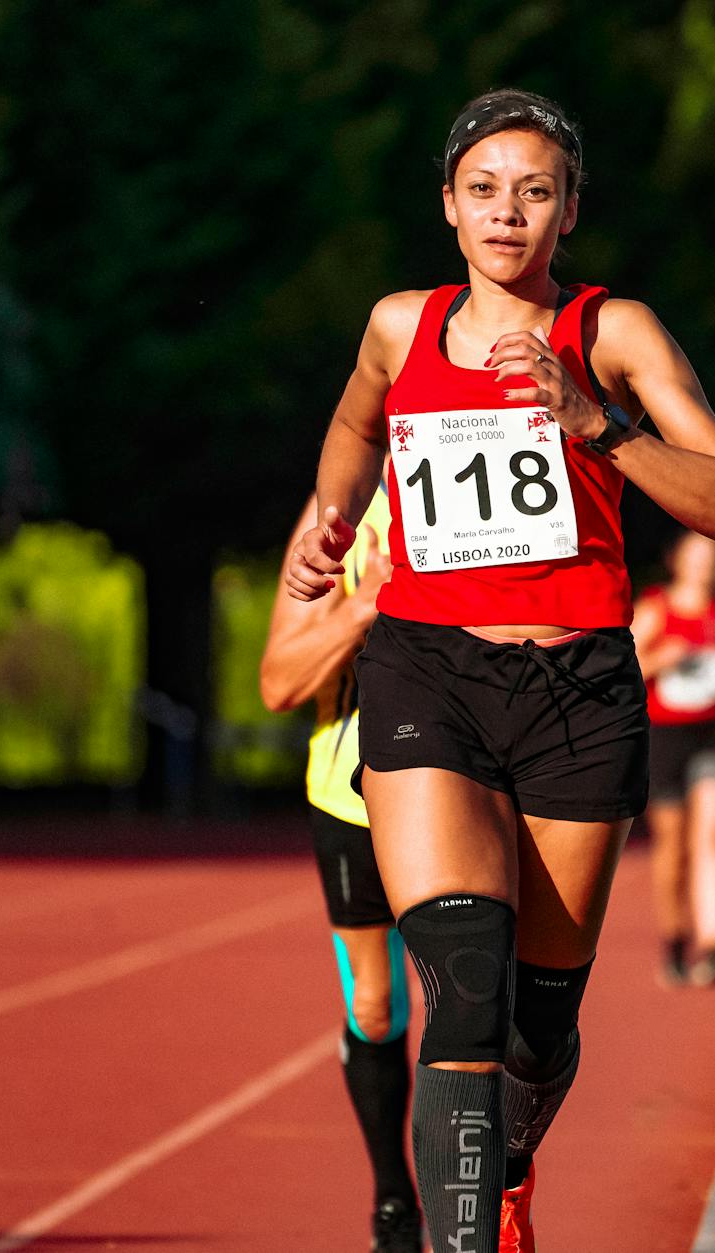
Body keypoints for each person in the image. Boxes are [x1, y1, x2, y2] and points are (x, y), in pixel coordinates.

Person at [284, 87, 715, 1252]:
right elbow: (355, 423)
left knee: (539, 1024)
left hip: (578, 691)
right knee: (463, 971)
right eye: (485, 189)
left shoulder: (615, 331)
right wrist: (330, 516)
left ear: (569, 211)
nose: (508, 212)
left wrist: (595, 422)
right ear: (448, 205)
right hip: (427, 672)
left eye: (534, 191)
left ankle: (498, 1170)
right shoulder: (399, 324)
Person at [259, 486, 422, 1253]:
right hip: (351, 793)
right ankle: (395, 1201)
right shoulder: (337, 512)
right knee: (380, 1007)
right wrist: (363, 606)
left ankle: (494, 1197)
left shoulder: (502, 471)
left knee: (484, 996)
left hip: (478, 782)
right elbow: (278, 682)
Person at [633, 531, 715, 988]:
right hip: (665, 734)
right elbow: (622, 669)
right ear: (676, 561)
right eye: (698, 556)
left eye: (714, 558)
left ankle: (713, 946)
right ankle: (675, 938)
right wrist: (658, 659)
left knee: (713, 833)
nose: (707, 565)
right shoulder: (653, 610)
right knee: (672, 847)